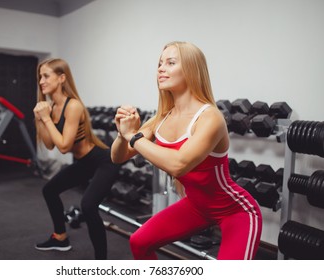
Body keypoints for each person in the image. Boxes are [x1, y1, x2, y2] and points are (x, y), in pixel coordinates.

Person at [111, 41, 262, 260]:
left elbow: (178, 164)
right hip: (196, 206)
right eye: (160, 63)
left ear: (192, 69)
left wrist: (132, 136)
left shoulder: (210, 117)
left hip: (235, 211)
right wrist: (121, 133)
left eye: (170, 63)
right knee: (139, 242)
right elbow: (118, 157)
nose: (161, 68)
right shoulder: (161, 118)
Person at [33, 58, 120, 259]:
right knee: (49, 190)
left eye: (46, 76)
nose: (41, 81)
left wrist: (45, 119)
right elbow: (49, 144)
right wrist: (40, 120)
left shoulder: (73, 106)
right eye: (40, 77)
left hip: (103, 161)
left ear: (61, 78)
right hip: (84, 162)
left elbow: (63, 146)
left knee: (88, 206)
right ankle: (60, 237)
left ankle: (101, 264)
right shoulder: (52, 107)